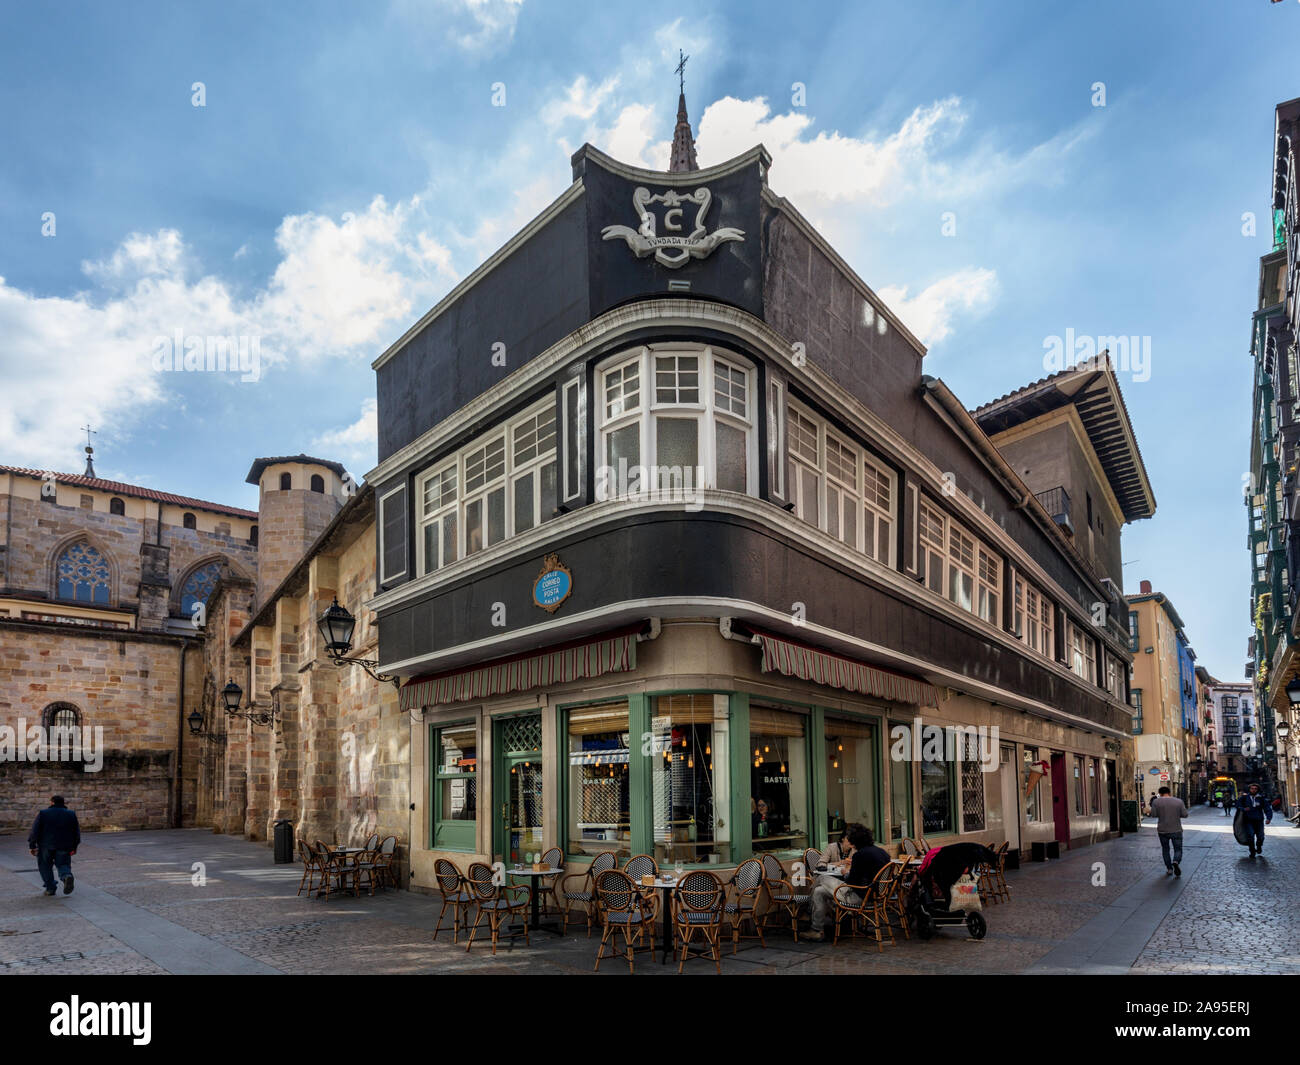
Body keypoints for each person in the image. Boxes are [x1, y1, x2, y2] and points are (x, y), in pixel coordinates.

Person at [805, 825, 890, 942]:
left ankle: (808, 908)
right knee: (819, 891)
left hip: (859, 897)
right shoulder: (882, 852)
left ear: (855, 841)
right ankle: (817, 930)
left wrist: (846, 873)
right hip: (877, 895)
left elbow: (851, 881)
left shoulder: (860, 855)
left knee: (822, 878)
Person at [27, 795, 81, 896]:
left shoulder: (43, 814)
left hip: (45, 846)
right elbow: (76, 833)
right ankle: (66, 876)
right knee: (63, 864)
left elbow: (35, 831)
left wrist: (32, 845)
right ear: (63, 803)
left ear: (52, 802)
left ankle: (50, 888)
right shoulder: (71, 814)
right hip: (64, 846)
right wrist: (74, 847)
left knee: (45, 866)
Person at [1150, 786, 1188, 876]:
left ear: (1160, 793)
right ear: (1169, 792)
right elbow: (1185, 815)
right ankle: (1176, 861)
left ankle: (1169, 869)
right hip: (1176, 829)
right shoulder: (1179, 801)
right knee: (1178, 849)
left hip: (1162, 830)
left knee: (1165, 849)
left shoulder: (1156, 802)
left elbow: (1154, 815)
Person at [1236, 783, 1272, 857]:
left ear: (1257, 789)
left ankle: (1259, 846)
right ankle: (1252, 851)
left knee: (1261, 836)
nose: (1254, 790)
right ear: (1249, 789)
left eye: (1255, 789)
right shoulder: (1244, 798)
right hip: (1248, 820)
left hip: (1259, 821)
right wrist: (1243, 809)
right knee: (1250, 836)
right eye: (1252, 788)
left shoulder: (1261, 798)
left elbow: (1267, 808)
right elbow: (1238, 805)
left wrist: (1268, 818)